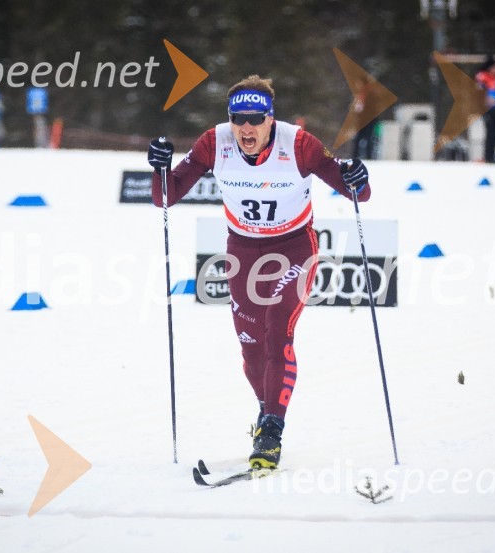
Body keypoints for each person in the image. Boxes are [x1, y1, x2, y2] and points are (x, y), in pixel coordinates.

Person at [147, 75, 370, 471]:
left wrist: (357, 177)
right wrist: (160, 167)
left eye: (255, 119)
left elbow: (357, 192)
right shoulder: (214, 142)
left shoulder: (298, 144)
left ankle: (271, 431)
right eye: (238, 119)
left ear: (271, 119)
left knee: (277, 328)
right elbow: (165, 195)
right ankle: (267, 409)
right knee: (251, 346)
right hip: (243, 251)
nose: (246, 128)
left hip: (294, 248)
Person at [475, 55, 495, 163]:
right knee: (491, 132)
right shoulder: (482, 76)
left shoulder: (494, 77)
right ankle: (489, 156)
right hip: (488, 109)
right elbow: (479, 92)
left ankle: (491, 154)